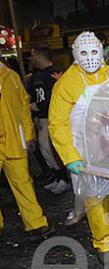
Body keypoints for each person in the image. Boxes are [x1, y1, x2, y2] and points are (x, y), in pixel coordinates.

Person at [48, 32, 109, 261]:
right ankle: (104, 242)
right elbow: (56, 123)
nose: (90, 58)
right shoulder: (66, 83)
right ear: (75, 56)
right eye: (84, 53)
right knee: (95, 197)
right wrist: (70, 156)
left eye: (94, 52)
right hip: (85, 152)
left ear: (102, 51)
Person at [0, 58, 53, 239]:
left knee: (23, 182)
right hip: (10, 138)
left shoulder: (12, 76)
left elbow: (23, 106)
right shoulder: (11, 76)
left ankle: (36, 223)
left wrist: (29, 134)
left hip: (14, 139)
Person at [27, 45, 69, 195]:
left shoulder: (56, 72)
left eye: (33, 55)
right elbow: (36, 94)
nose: (31, 59)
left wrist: (38, 107)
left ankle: (64, 179)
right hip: (43, 118)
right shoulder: (36, 75)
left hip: (54, 118)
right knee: (45, 149)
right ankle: (58, 177)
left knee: (54, 149)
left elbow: (60, 95)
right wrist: (36, 115)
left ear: (39, 56)